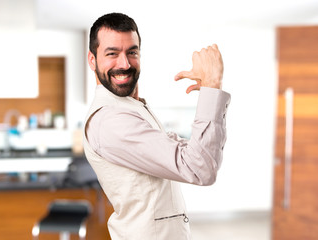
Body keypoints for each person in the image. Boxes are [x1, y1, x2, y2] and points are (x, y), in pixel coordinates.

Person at [83, 12, 231, 240]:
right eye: (112, 53)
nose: (124, 64)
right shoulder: (111, 121)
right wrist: (213, 86)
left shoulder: (127, 109)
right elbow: (200, 168)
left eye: (132, 52)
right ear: (92, 60)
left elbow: (195, 155)